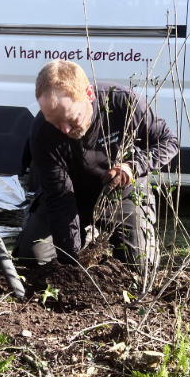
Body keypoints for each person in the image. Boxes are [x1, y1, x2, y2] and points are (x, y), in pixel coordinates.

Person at [15, 60, 179, 270]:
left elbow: (168, 142)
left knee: (139, 266)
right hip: (70, 194)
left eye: (71, 118)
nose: (64, 130)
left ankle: (105, 235)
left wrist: (133, 166)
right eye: (55, 122)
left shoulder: (123, 103)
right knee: (33, 257)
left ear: (89, 95)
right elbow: (60, 200)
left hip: (121, 192)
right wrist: (71, 264)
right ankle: (84, 240)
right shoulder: (42, 133)